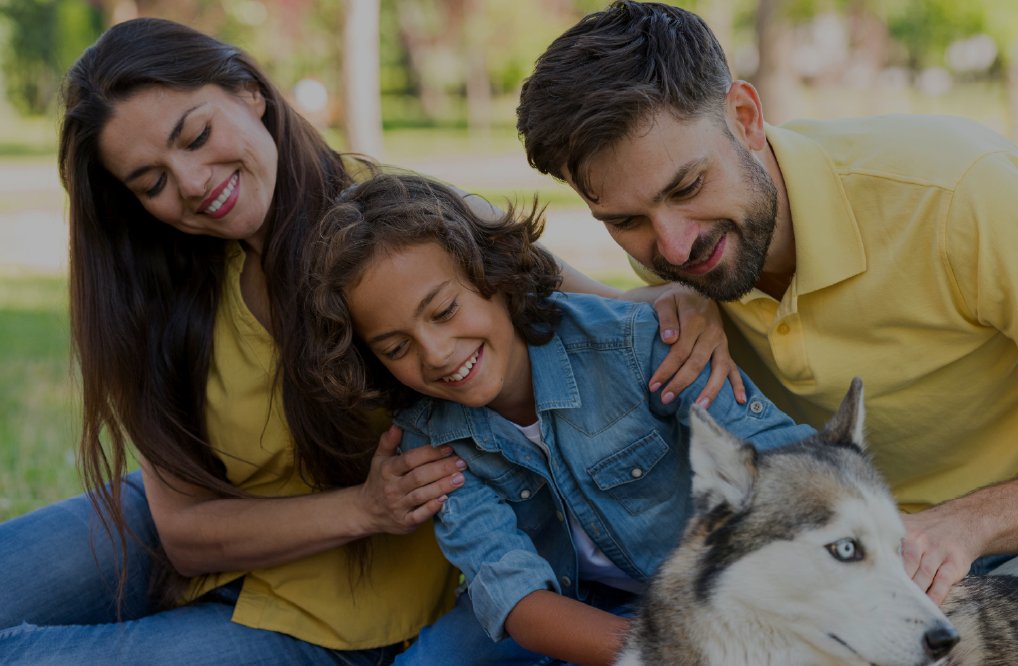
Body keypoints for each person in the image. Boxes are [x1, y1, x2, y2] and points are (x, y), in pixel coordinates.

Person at [0, 17, 737, 663]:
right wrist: (363, 505)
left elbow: (595, 315)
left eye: (195, 135)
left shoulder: (404, 232)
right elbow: (184, 529)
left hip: (342, 616)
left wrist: (684, 301)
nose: (192, 182)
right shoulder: (159, 292)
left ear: (249, 94)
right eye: (151, 181)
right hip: (209, 530)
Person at [515, 0, 1018, 606]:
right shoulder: (689, 258)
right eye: (625, 220)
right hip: (902, 553)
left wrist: (967, 523)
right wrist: (665, 296)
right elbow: (550, 278)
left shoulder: (959, 194)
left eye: (688, 184)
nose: (675, 242)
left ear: (745, 118)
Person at [298, 171, 815, 665]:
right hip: (570, 606)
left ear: (494, 276)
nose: (434, 353)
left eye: (445, 311)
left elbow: (780, 455)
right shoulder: (428, 440)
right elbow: (517, 599)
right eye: (395, 346)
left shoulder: (636, 345)